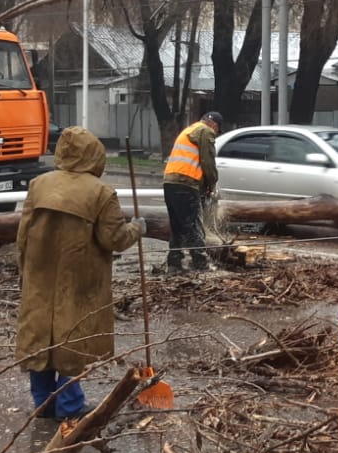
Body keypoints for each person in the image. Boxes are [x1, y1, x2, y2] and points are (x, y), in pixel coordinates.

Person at [16, 127, 144, 420]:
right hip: (80, 280)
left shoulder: (38, 185)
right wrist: (138, 227)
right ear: (94, 155)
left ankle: (44, 404)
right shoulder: (101, 193)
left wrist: (24, 271)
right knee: (74, 338)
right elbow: (115, 239)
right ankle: (70, 406)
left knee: (41, 339)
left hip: (39, 276)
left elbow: (23, 235)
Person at [163, 111, 222, 273]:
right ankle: (201, 262)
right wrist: (212, 184)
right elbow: (207, 162)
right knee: (194, 224)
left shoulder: (189, 130)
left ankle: (174, 263)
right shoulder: (206, 131)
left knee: (177, 225)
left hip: (170, 182)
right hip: (186, 183)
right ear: (215, 125)